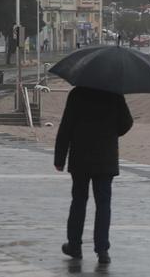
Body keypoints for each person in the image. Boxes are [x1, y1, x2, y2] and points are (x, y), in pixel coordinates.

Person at [54, 86, 133, 264]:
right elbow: (126, 123)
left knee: (79, 201)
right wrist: (111, 131)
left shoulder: (77, 93)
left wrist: (60, 158)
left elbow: (66, 126)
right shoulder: (114, 93)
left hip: (80, 157)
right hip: (105, 157)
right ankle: (102, 250)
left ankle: (74, 245)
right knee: (103, 204)